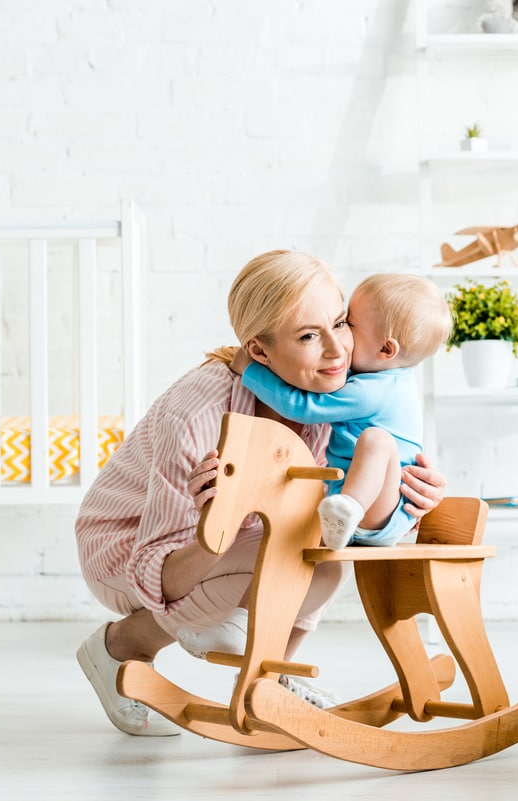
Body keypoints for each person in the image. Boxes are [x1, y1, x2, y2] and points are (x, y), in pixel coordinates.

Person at [74, 250, 447, 737]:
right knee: (284, 554)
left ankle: (265, 679)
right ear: (261, 352)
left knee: (323, 552)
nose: (337, 351)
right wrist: (215, 528)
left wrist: (411, 492)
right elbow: (154, 565)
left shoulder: (340, 389)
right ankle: (120, 647)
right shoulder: (199, 414)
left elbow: (368, 467)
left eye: (341, 322)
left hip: (239, 535)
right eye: (309, 336)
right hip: (130, 549)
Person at [176, 273, 451, 660]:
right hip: (359, 506)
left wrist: (250, 370)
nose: (339, 342)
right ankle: (240, 628)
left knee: (376, 441)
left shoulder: (378, 387)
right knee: (305, 556)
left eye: (347, 325)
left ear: (387, 349)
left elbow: (304, 406)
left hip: (379, 509)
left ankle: (347, 508)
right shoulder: (378, 376)